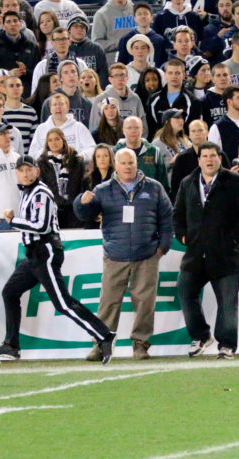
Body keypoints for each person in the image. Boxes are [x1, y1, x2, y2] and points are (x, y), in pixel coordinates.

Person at [0, 154, 115, 363]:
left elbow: (41, 226)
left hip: (45, 251)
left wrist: (14, 220)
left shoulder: (41, 193)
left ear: (36, 171)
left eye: (28, 169)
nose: (25, 173)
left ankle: (104, 335)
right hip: (34, 253)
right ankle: (11, 345)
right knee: (10, 292)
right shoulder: (28, 193)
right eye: (21, 170)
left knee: (63, 304)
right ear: (17, 173)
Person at [74, 147, 172, 361]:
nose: (128, 167)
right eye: (124, 163)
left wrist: (161, 249)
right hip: (115, 256)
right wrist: (81, 203)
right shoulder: (102, 190)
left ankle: (140, 344)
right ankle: (101, 345)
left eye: (131, 163)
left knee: (145, 303)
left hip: (146, 255)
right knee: (108, 303)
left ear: (137, 164)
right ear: (115, 166)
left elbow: (167, 220)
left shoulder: (154, 188)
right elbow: (85, 216)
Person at [173, 141, 239, 358]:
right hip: (195, 255)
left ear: (220, 158)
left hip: (227, 255)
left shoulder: (236, 182)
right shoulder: (188, 182)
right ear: (198, 159)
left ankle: (227, 344)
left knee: (228, 303)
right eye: (205, 156)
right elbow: (178, 213)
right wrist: (182, 235)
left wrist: (232, 238)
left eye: (213, 155)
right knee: (185, 291)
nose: (209, 160)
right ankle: (200, 335)